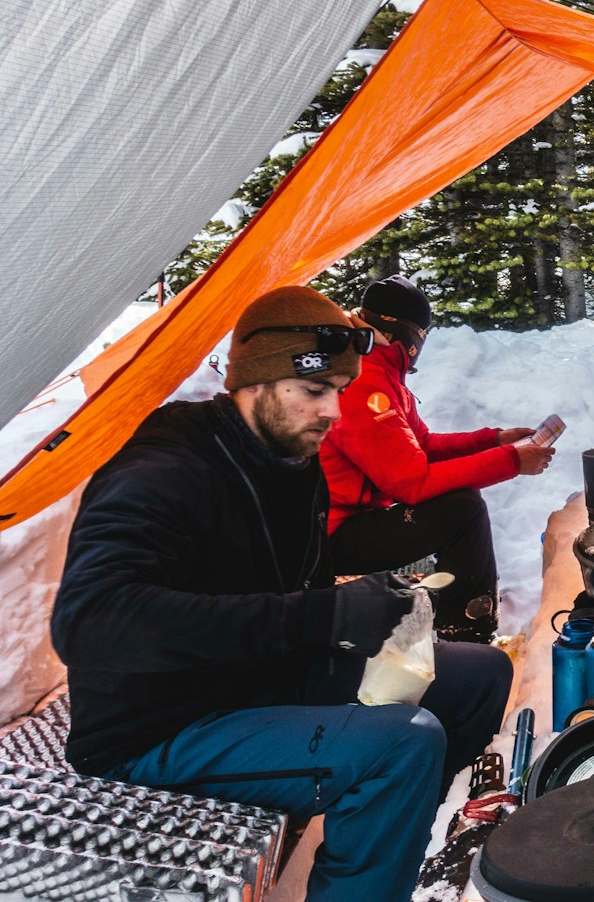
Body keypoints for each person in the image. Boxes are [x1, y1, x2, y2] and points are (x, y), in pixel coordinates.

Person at [51, 286, 513, 902]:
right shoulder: (162, 474)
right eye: (316, 392)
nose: (333, 414)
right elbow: (88, 623)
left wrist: (364, 614)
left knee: (480, 674)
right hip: (162, 728)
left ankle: (386, 846)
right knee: (405, 741)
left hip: (260, 680)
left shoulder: (292, 461)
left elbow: (303, 595)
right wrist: (324, 615)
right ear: (256, 381)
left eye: (340, 393)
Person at [320, 275, 553, 642]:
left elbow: (421, 444)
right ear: (410, 337)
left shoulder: (376, 370)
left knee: (459, 504)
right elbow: (411, 483)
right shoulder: (363, 383)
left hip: (348, 520)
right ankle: (466, 635)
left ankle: (459, 622)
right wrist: (510, 461)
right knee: (462, 511)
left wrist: (493, 440)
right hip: (331, 534)